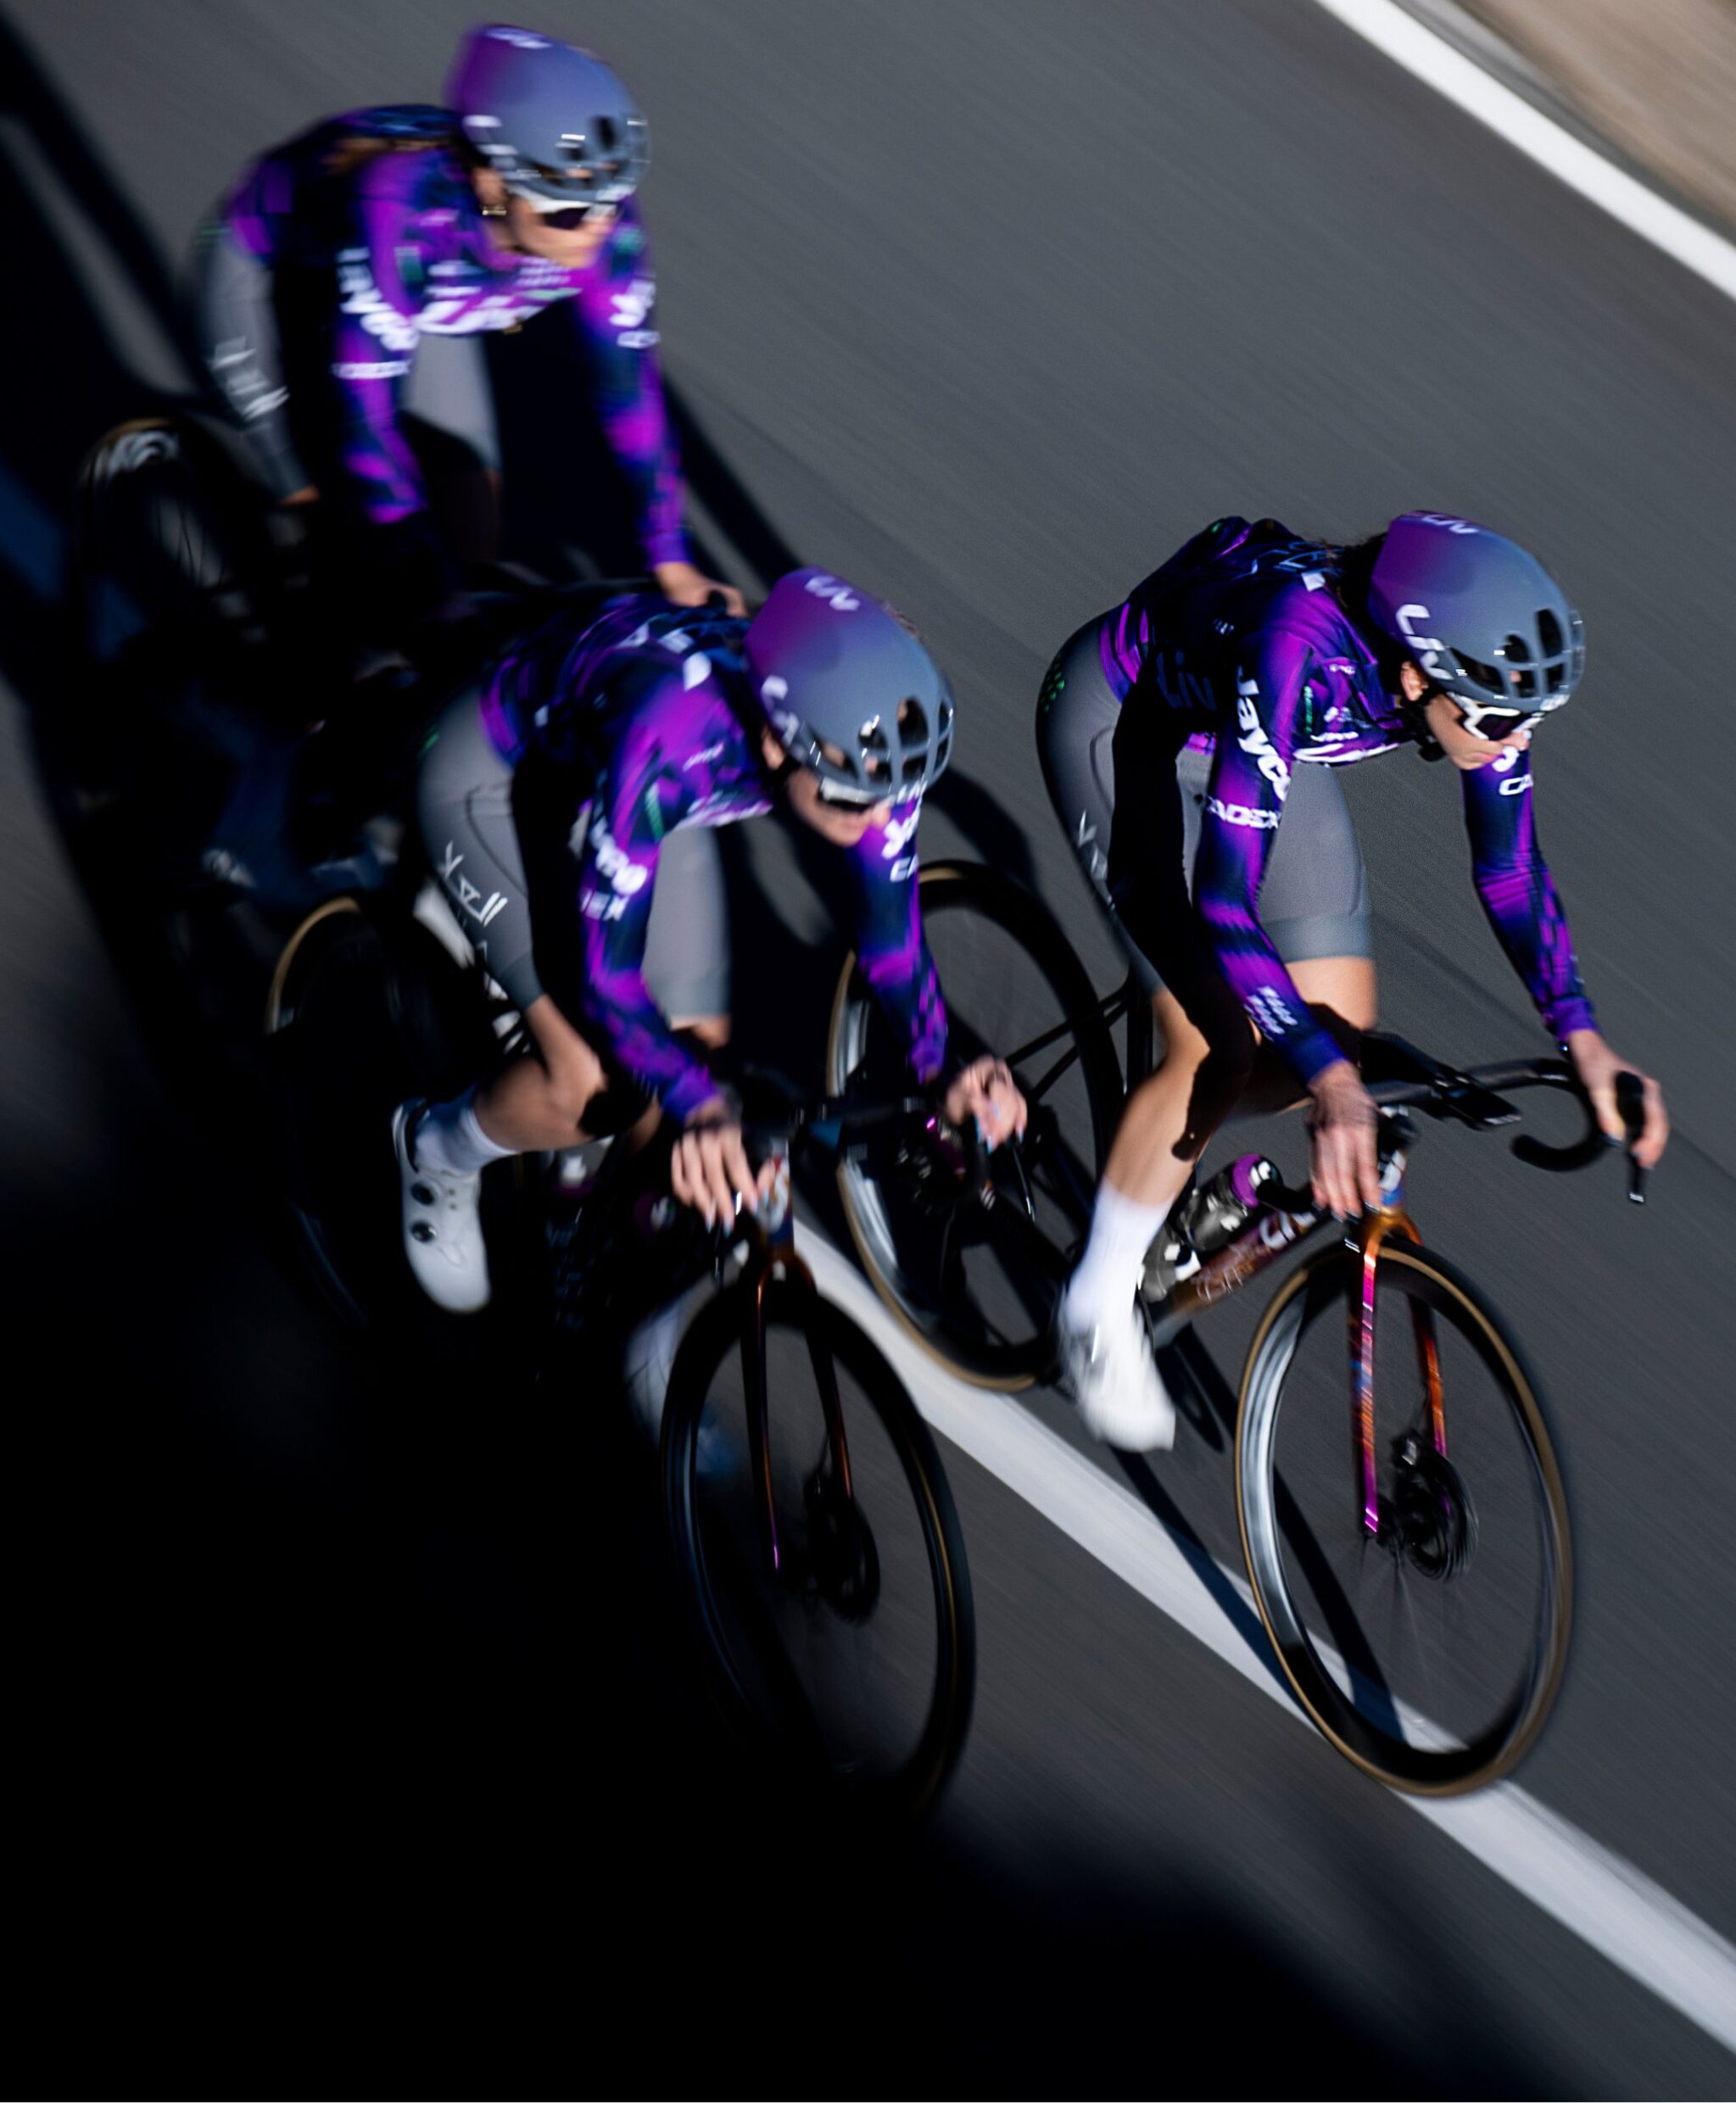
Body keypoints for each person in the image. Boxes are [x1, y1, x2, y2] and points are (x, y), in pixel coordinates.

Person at [1036, 512, 1669, 1452]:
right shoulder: (1295, 650)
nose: (1514, 741)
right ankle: (1092, 1308)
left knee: (1339, 1025)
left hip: (1262, 737)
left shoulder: (1469, 684)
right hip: (1124, 726)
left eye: (1531, 720)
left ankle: (1169, 1168)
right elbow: (1224, 901)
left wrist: (1581, 1036)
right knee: (1220, 1046)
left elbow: (1509, 873)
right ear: (1417, 679)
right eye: (1499, 720)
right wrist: (1330, 1083)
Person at [395, 566, 1026, 1312]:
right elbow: (609, 980)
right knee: (590, 1085)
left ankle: (600, 1233)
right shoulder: (672, 734)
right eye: (856, 796)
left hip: (631, 790)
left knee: (698, 1045)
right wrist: (699, 1106)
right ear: (776, 744)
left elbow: (891, 945)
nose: (883, 821)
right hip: (495, 784)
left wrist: (938, 1064)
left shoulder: (872, 750)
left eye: (899, 793)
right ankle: (434, 1149)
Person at [190, 23, 740, 645]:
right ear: (492, 184)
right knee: (334, 516)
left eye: (615, 197)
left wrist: (672, 560)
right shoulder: (403, 217)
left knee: (470, 546)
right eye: (569, 209)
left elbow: (629, 392)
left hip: (419, 301)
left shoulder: (596, 218)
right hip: (267, 276)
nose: (601, 226)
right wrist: (417, 570)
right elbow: (364, 419)